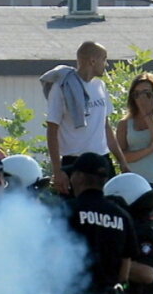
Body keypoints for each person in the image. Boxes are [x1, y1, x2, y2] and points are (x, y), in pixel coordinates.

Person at [42, 41, 129, 196]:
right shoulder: (62, 87)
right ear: (92, 61)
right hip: (74, 163)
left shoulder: (100, 86)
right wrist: (57, 170)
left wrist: (122, 161)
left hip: (102, 159)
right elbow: (52, 129)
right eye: (104, 59)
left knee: (106, 205)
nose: (106, 64)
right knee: (74, 208)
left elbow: (106, 126)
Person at [63, 152, 138, 294]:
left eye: (72, 174)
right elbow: (125, 266)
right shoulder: (122, 216)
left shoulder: (67, 210)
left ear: (79, 177)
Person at [115, 73, 153, 224]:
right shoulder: (124, 124)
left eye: (147, 93)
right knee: (131, 230)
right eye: (137, 94)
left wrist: (148, 115)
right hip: (131, 185)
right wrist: (148, 150)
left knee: (152, 230)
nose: (142, 98)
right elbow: (122, 156)